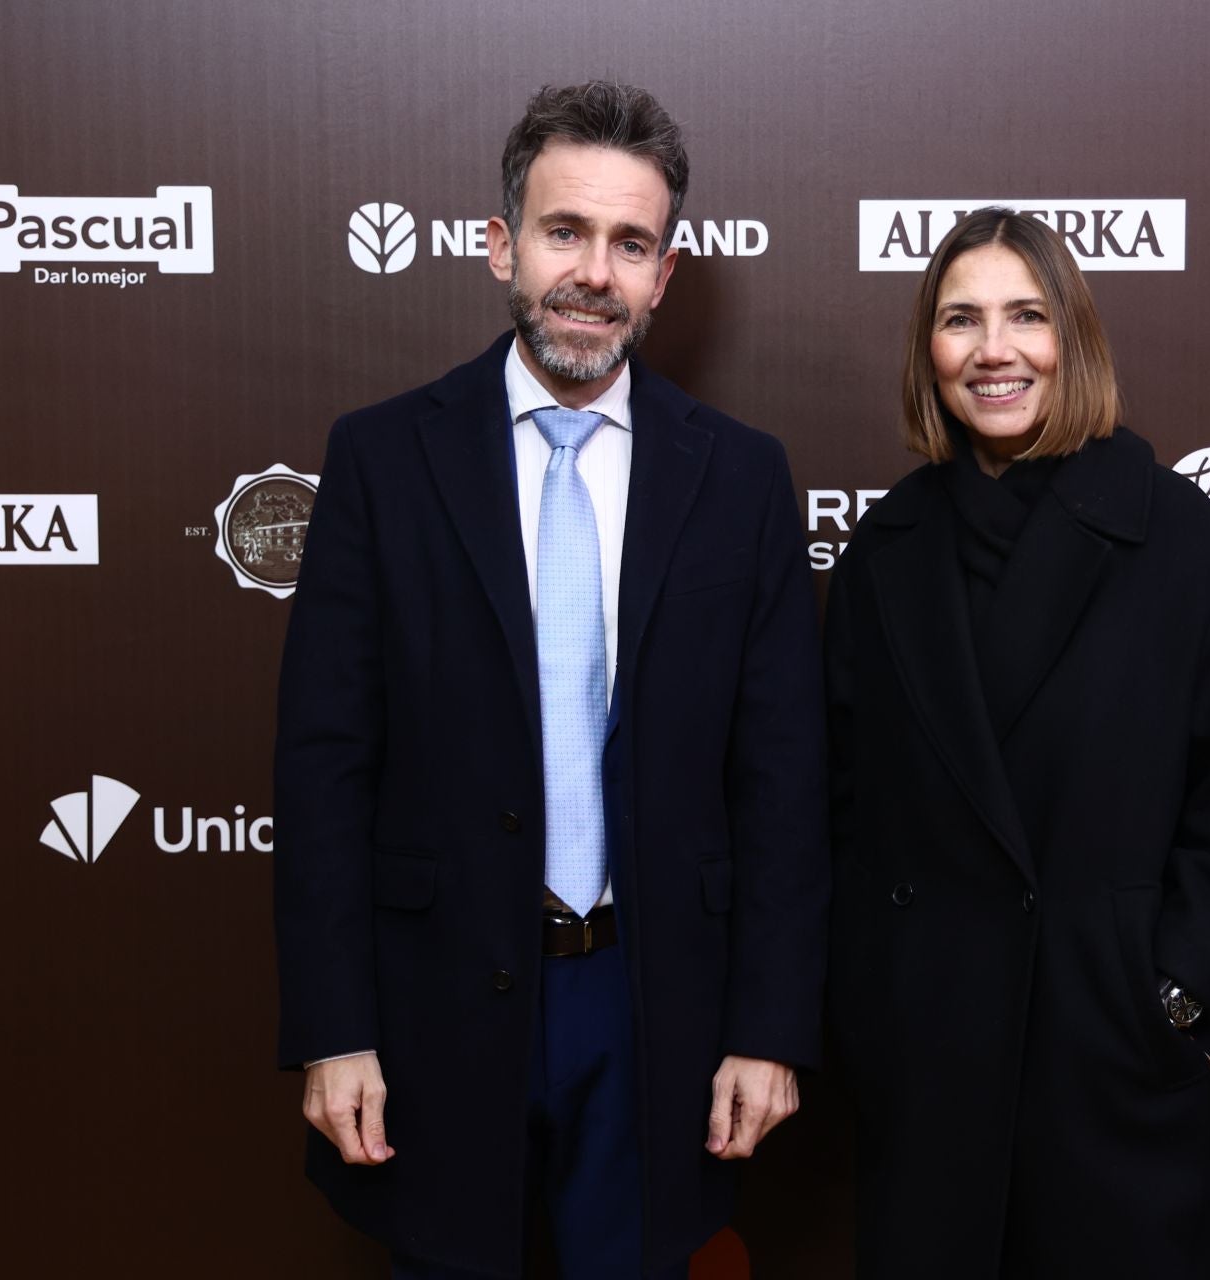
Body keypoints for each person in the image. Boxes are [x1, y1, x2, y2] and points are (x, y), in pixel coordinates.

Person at [274, 81, 828, 1279]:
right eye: (564, 231)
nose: (594, 271)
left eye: (630, 243)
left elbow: (783, 779)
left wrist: (768, 1026)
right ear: (500, 246)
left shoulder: (738, 479)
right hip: (435, 1005)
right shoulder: (379, 457)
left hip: (655, 1008)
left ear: (664, 276)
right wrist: (334, 1028)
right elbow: (324, 767)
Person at [824, 208, 1210, 1278]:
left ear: (1073, 339)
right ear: (929, 352)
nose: (993, 349)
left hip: (1115, 1061)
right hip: (935, 1059)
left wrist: (1170, 992)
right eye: (960, 319)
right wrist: (875, 995)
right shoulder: (886, 549)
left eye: (1024, 315)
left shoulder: (1182, 543)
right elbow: (841, 796)